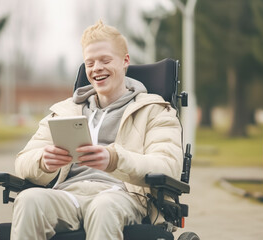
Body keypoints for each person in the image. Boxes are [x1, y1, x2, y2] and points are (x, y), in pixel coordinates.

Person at [11, 20, 183, 240]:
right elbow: (22, 161)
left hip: (122, 196)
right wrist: (43, 161)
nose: (96, 68)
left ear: (125, 61)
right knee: (29, 199)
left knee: (103, 206)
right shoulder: (65, 111)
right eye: (89, 63)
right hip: (68, 195)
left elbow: (168, 166)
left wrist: (114, 159)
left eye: (105, 60)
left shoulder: (155, 110)